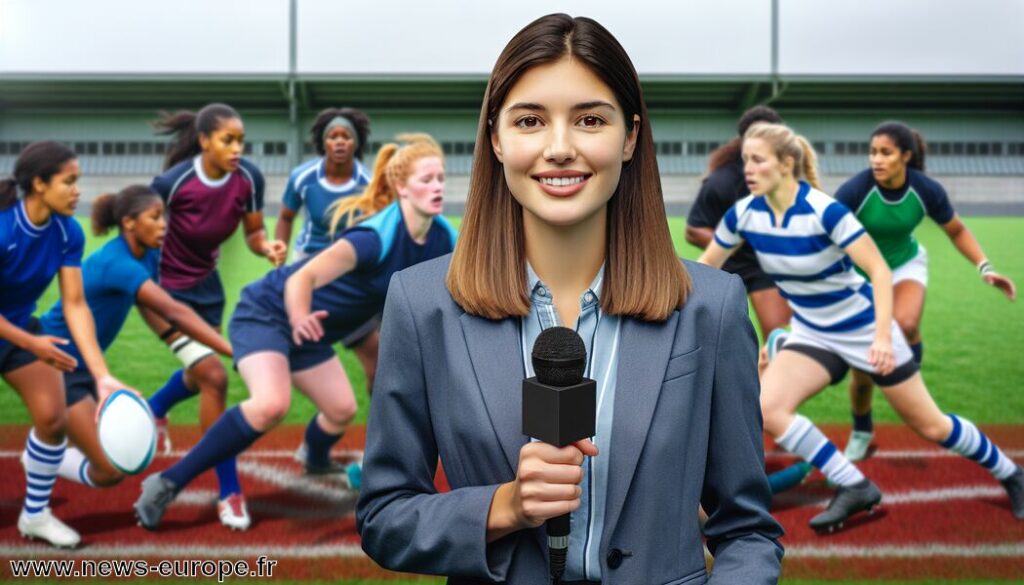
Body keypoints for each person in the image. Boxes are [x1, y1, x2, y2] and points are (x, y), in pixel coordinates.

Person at [354, 14, 782, 584]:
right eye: (530, 120)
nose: (559, 148)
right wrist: (503, 507)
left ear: (629, 137)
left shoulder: (714, 307)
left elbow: (747, 531)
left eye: (589, 120)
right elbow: (384, 516)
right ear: (497, 138)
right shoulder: (421, 302)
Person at [699, 122, 1024, 531]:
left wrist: (884, 339)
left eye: (757, 160)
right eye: (745, 159)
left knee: (931, 425)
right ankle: (854, 484)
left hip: (863, 327)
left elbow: (880, 271)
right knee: (769, 408)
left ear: (785, 164)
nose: (747, 169)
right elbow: (705, 270)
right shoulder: (743, 215)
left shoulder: (824, 211)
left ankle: (1012, 473)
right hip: (813, 332)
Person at [133, 134, 457, 530]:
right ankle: (165, 484)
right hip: (268, 312)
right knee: (271, 404)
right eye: (427, 179)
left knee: (341, 409)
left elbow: (453, 289)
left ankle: (315, 459)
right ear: (402, 188)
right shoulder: (372, 238)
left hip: (312, 331)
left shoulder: (442, 237)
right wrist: (300, 315)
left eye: (441, 178)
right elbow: (300, 279)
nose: (438, 186)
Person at [830, 121, 1017, 461]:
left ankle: (909, 374)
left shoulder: (925, 189)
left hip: (905, 264)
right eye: (872, 152)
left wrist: (986, 268)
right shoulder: (855, 189)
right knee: (863, 369)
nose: (876, 159)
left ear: (906, 156)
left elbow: (957, 230)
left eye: (885, 152)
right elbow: (824, 231)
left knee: (908, 323)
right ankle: (861, 430)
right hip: (861, 273)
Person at [142, 103, 286, 529]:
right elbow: (141, 230)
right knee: (215, 377)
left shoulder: (248, 180)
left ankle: (155, 406)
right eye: (228, 140)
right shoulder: (172, 183)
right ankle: (229, 490)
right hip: (161, 292)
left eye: (241, 140)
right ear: (204, 141)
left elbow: (255, 233)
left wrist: (267, 248)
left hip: (207, 292)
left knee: (200, 373)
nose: (237, 147)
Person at [37, 185, 232, 493]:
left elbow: (149, 306)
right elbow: (173, 310)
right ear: (129, 222)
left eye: (164, 216)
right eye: (154, 217)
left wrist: (183, 347)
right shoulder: (118, 263)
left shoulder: (147, 254)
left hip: (83, 365)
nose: (163, 224)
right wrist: (233, 351)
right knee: (111, 468)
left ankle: (43, 462)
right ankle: (40, 458)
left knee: (87, 446)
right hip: (55, 361)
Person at [0, 142, 136, 548]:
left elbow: (76, 305)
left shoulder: (67, 232)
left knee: (52, 418)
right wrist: (32, 343)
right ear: (39, 184)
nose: (78, 190)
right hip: (20, 334)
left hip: (19, 330)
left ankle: (35, 516)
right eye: (69, 182)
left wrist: (102, 375)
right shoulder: (4, 227)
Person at [275, 107, 383, 406]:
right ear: (323, 142)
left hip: (350, 272)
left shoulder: (368, 183)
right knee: (296, 342)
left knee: (377, 357)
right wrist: (280, 256)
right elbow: (285, 217)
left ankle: (378, 431)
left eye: (346, 136)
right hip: (308, 268)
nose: (339, 141)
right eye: (332, 136)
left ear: (355, 143)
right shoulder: (303, 178)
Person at [686, 105, 792, 340]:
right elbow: (694, 230)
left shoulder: (785, 173)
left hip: (773, 263)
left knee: (782, 335)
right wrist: (733, 244)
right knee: (713, 337)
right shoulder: (722, 181)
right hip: (737, 264)